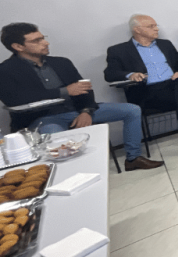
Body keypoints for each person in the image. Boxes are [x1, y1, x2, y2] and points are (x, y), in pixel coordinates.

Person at [0, 23, 164, 172]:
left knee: (131, 110)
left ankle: (133, 158)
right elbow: (14, 100)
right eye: (36, 41)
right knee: (57, 137)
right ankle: (74, 175)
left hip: (77, 110)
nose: (45, 43)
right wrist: (63, 91)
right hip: (43, 119)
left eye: (43, 38)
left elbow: (83, 88)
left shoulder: (61, 63)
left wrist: (86, 111)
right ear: (17, 46)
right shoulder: (6, 70)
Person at [104, 14, 178, 155]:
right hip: (146, 92)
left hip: (171, 87)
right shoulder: (118, 50)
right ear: (137, 30)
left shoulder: (165, 44)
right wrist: (130, 75)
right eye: (151, 26)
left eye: (156, 25)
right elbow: (109, 74)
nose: (156, 29)